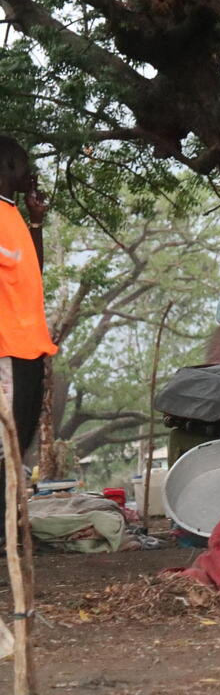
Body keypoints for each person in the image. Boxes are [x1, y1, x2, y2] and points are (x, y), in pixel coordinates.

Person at [0, 136, 58, 511]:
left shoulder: (12, 214)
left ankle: (6, 539)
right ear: (5, 166)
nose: (30, 171)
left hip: (26, 349)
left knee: (15, 446)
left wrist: (36, 222)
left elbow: (30, 270)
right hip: (5, 351)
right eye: (23, 163)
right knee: (3, 448)